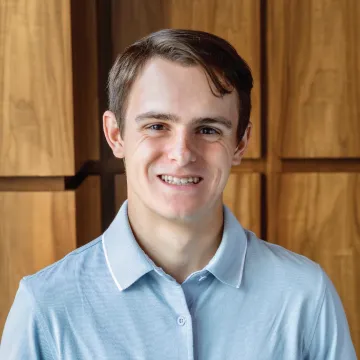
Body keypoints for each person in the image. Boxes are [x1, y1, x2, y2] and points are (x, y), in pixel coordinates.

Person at [0, 29, 356, 360]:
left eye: (207, 128)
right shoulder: (45, 307)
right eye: (156, 126)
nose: (182, 154)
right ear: (116, 135)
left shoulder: (306, 297)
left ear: (240, 143)